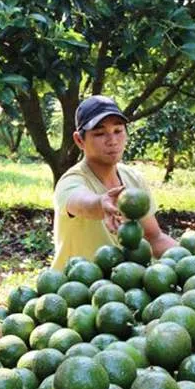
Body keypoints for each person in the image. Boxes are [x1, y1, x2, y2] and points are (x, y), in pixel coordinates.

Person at [52, 95, 178, 270]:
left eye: (118, 131)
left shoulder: (133, 179)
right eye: (99, 133)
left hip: (122, 288)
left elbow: (153, 237)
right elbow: (81, 203)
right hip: (75, 289)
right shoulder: (71, 181)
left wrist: (194, 260)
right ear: (79, 140)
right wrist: (100, 204)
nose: (112, 140)